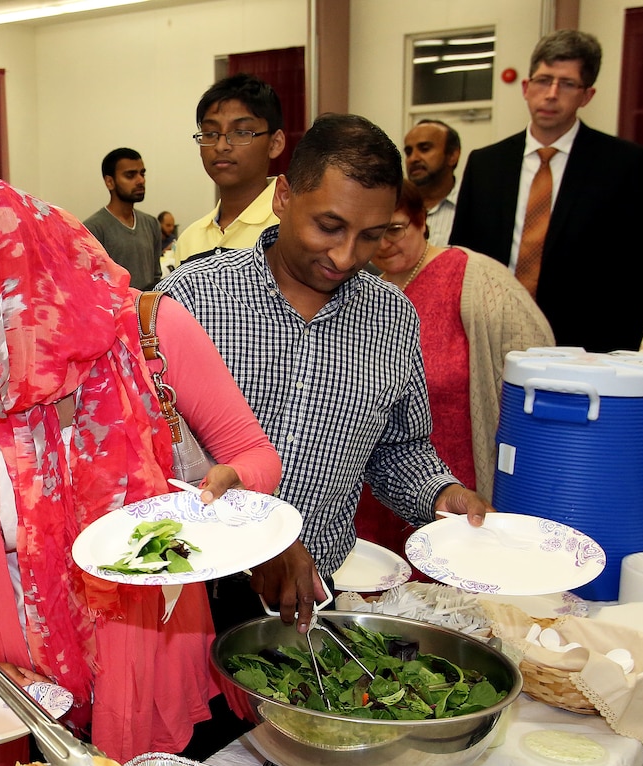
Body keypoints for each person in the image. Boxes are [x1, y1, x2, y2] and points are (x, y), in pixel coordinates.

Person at [0, 171, 282, 766]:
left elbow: (256, 457)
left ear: (8, 270)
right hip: (27, 687)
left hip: (151, 654)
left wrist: (231, 490)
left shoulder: (150, 334)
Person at [159, 114, 491, 632]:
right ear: (284, 196)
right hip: (188, 595)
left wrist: (439, 493)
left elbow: (397, 448)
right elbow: (150, 454)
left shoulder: (392, 317)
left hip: (313, 596)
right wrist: (258, 534)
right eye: (329, 227)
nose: (344, 255)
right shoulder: (194, 299)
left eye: (370, 237)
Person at [356, 180, 554, 551]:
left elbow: (540, 368)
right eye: (372, 234)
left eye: (395, 229)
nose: (383, 244)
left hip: (459, 484)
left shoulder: (475, 277)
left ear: (421, 219)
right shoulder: (367, 295)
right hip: (380, 489)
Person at [449, 30, 643, 353]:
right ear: (525, 87)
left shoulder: (624, 165)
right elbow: (461, 259)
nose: (551, 94)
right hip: (492, 340)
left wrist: (617, 357)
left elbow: (635, 276)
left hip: (583, 346)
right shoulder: (486, 164)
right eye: (543, 80)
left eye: (567, 84)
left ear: (587, 95)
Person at [173, 74, 287, 263]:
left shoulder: (288, 227)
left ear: (275, 143)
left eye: (241, 132)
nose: (221, 146)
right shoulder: (190, 240)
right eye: (210, 133)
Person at [83, 148, 162, 290]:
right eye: (130, 175)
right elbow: (91, 286)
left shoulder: (151, 223)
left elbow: (156, 277)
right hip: (115, 311)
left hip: (148, 308)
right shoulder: (92, 229)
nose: (140, 180)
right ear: (109, 182)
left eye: (142, 173)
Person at [404, 119, 461, 247]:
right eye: (408, 152)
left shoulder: (473, 206)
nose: (413, 158)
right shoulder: (394, 206)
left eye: (424, 149)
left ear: (452, 155)